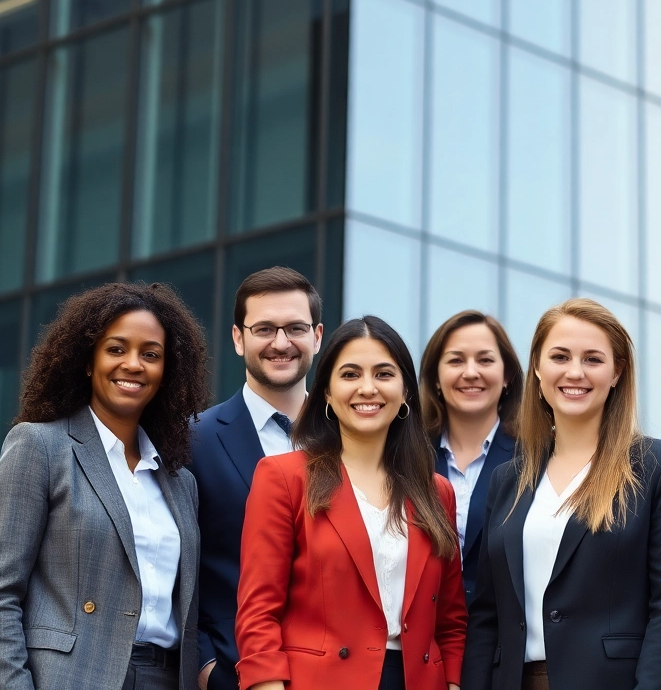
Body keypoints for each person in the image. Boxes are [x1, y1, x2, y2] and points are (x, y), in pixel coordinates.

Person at [0, 282, 211, 690]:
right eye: (116, 349)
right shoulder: (40, 446)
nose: (133, 364)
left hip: (168, 678)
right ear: (88, 360)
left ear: (166, 370)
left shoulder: (179, 481)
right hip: (73, 676)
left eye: (150, 354)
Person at [461, 298, 661, 690]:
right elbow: (489, 612)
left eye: (592, 359)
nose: (575, 372)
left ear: (617, 372)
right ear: (537, 367)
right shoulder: (508, 478)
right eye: (560, 356)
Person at [235, 315, 466, 690]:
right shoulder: (284, 478)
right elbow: (258, 613)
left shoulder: (437, 492)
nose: (368, 388)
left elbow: (451, 620)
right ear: (326, 391)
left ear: (406, 391)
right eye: (350, 374)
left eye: (384, 374)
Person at [189, 267, 324, 690]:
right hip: (236, 674)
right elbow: (174, 566)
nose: (281, 343)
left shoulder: (351, 441)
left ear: (317, 337)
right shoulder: (194, 440)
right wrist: (206, 666)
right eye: (264, 328)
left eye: (296, 328)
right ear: (237, 338)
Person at [420, 310, 523, 603]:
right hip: (424, 639)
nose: (470, 372)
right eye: (455, 360)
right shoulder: (405, 457)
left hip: (501, 640)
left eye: (485, 360)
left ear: (508, 376)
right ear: (435, 378)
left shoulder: (536, 458)